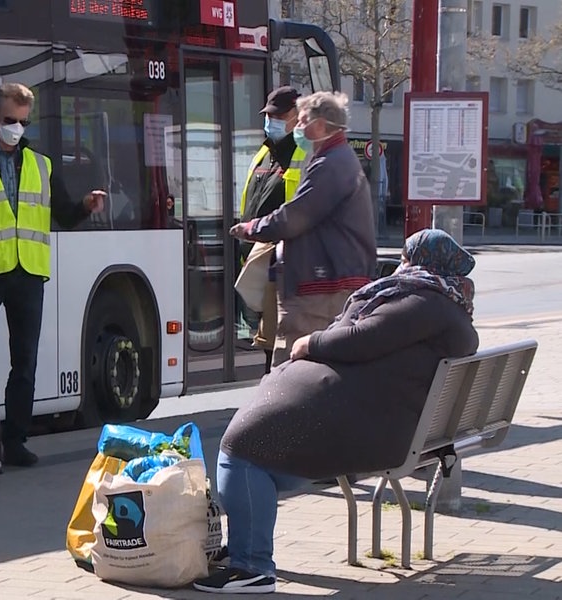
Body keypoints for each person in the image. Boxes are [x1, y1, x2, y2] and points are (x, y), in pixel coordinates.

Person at [194, 229, 479, 594]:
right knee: (259, 450)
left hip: (376, 431)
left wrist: (310, 342)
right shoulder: (444, 306)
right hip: (388, 423)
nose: (401, 265)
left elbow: (362, 339)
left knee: (242, 449)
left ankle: (251, 564)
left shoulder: (422, 303)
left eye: (407, 257)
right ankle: (247, 548)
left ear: (423, 262)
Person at [0, 82, 105, 467]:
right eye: (8, 120)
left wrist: (85, 206)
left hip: (28, 274)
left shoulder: (41, 164)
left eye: (22, 122)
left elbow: (63, 215)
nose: (15, 129)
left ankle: (14, 440)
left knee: (25, 363)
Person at [229, 91, 376, 368]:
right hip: (326, 283)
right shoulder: (336, 159)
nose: (299, 126)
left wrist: (252, 228)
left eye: (304, 120)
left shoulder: (330, 164)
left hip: (318, 288)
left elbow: (296, 216)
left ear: (320, 126)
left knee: (289, 371)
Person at [235, 86, 306, 372]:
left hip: (288, 264)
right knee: (270, 346)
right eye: (269, 115)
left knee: (282, 349)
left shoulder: (304, 152)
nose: (271, 121)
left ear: (297, 116)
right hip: (262, 261)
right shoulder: (265, 153)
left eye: (278, 115)